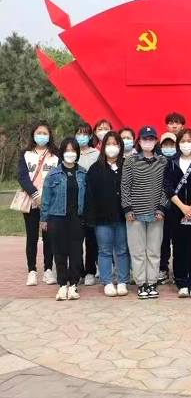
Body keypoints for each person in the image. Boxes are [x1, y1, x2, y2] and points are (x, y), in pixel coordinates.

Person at [121, 126, 168, 299]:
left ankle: (152, 282)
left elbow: (166, 187)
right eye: (144, 139)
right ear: (139, 142)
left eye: (151, 139)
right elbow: (125, 186)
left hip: (156, 214)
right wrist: (128, 209)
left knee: (154, 251)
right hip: (135, 214)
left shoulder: (162, 162)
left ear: (156, 141)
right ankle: (142, 283)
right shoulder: (130, 161)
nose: (148, 142)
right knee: (137, 251)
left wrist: (161, 208)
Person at [163, 129, 191, 298]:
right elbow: (167, 187)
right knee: (179, 248)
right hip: (177, 211)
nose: (186, 144)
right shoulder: (171, 163)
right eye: (182, 141)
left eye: (189, 141)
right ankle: (181, 282)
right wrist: (182, 207)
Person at [41, 138, 87, 301]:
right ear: (62, 152)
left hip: (77, 218)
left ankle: (73, 284)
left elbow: (88, 198)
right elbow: (46, 199)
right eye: (67, 150)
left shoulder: (83, 173)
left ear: (77, 153)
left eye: (73, 150)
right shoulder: (53, 174)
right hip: (57, 217)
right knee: (59, 252)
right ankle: (62, 284)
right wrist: (44, 219)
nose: (70, 153)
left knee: (76, 251)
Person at [86, 132, 130, 297]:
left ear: (120, 146)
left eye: (115, 144)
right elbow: (90, 195)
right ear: (103, 146)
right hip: (102, 219)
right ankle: (107, 282)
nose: (112, 147)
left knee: (122, 250)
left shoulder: (127, 166)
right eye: (109, 144)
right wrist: (91, 217)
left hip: (122, 217)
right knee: (104, 251)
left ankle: (123, 281)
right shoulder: (95, 169)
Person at [18, 121, 59, 286]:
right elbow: (22, 177)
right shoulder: (26, 154)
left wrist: (48, 198)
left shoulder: (56, 154)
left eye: (45, 133)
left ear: (50, 135)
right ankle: (32, 271)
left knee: (49, 237)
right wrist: (36, 195)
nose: (42, 136)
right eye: (39, 133)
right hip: (31, 202)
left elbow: (59, 175)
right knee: (32, 237)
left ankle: (48, 270)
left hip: (51, 203)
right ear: (33, 134)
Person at [74, 123, 101, 286]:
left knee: (91, 240)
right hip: (74, 203)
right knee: (76, 239)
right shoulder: (71, 153)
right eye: (78, 133)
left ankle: (90, 270)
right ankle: (78, 271)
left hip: (91, 202)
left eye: (85, 134)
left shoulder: (96, 154)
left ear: (91, 136)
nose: (81, 137)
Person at [156, 132, 178, 284]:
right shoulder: (156, 162)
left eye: (172, 145)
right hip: (161, 208)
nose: (169, 148)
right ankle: (163, 268)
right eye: (165, 145)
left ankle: (178, 270)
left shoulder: (180, 162)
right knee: (162, 241)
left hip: (177, 207)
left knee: (178, 240)